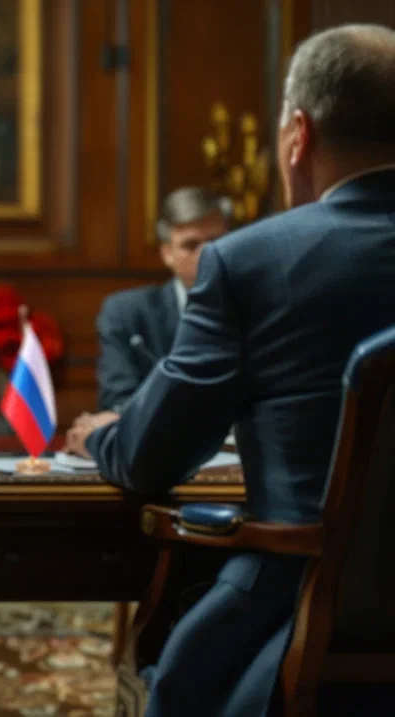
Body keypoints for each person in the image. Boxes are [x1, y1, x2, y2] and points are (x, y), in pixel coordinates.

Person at [66, 24, 395, 717]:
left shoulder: (253, 262)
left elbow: (146, 457)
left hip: (304, 614)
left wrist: (100, 436)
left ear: (298, 135)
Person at [95, 187, 229, 411]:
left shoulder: (257, 307)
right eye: (191, 245)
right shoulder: (127, 314)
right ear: (167, 253)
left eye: (216, 241)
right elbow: (118, 402)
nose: (207, 255)